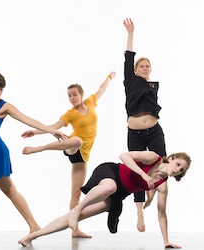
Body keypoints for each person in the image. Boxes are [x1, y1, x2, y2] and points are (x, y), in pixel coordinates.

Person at [0, 65, 66, 245]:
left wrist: (50, 130)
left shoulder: (5, 107)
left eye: (1, 89)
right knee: (10, 190)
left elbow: (28, 119)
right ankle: (34, 225)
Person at [18, 150, 191, 249]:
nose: (177, 170)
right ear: (171, 159)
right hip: (111, 172)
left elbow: (162, 214)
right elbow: (124, 156)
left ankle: (32, 236)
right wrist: (143, 175)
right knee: (109, 187)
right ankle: (77, 209)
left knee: (76, 216)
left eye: (181, 170)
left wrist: (166, 241)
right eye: (177, 164)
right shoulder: (153, 157)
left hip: (120, 193)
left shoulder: (163, 185)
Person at [21, 71, 116, 238]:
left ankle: (75, 229)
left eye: (74, 94)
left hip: (84, 155)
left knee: (76, 192)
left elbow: (102, 89)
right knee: (77, 141)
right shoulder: (70, 114)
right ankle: (40, 148)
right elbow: (54, 126)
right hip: (71, 146)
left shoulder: (91, 102)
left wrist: (109, 77)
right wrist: (35, 133)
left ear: (81, 94)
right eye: (69, 96)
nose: (72, 98)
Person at [123, 18, 167, 232]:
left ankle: (154, 191)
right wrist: (131, 33)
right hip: (136, 134)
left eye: (147, 66)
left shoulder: (151, 85)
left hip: (155, 131)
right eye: (141, 66)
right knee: (136, 170)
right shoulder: (130, 80)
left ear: (150, 70)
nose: (144, 68)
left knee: (162, 164)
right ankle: (139, 213)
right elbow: (129, 55)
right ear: (135, 69)